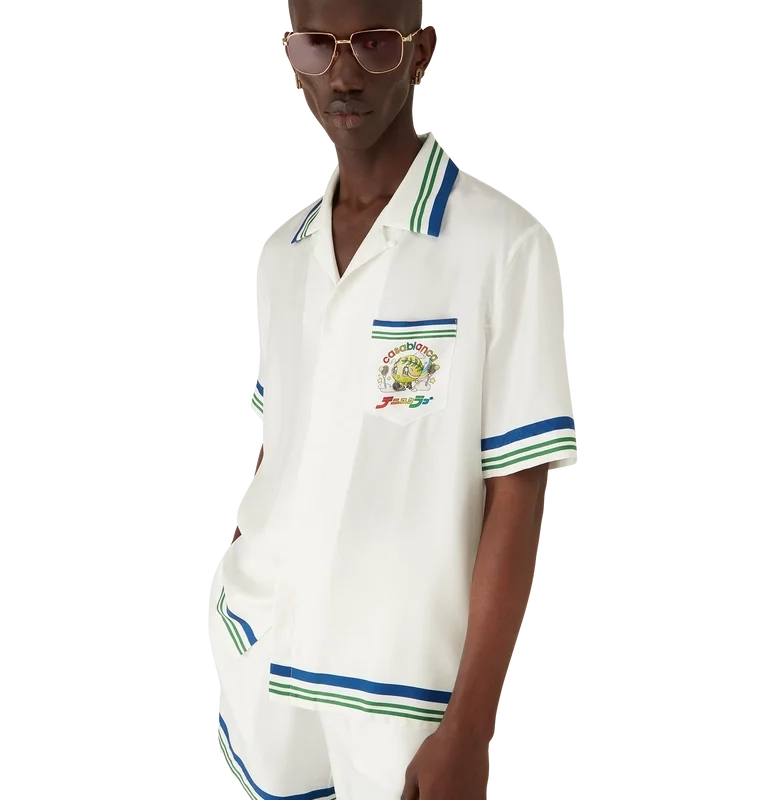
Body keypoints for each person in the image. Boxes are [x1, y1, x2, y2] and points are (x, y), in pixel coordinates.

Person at [210, 0, 578, 797]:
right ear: (290, 55)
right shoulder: (283, 252)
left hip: (401, 692)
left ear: (422, 51)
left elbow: (518, 493)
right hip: (266, 653)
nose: (342, 75)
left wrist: (469, 729)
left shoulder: (503, 245)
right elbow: (281, 438)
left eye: (374, 45)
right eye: (317, 47)